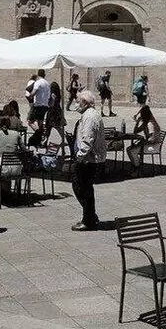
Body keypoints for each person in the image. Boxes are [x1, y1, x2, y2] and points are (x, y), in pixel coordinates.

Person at [69, 90, 105, 231]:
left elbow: (87, 140)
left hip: (88, 160)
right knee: (82, 187)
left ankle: (89, 219)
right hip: (87, 159)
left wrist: (79, 157)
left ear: (84, 102)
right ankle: (90, 216)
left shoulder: (90, 117)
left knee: (83, 188)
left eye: (78, 101)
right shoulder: (88, 114)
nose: (76, 103)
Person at [127, 103, 161, 168]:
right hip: (149, 144)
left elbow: (152, 139)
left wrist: (142, 142)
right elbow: (135, 131)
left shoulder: (150, 124)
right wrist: (137, 122)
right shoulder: (146, 122)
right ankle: (137, 164)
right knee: (129, 149)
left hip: (153, 146)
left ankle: (137, 167)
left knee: (132, 151)